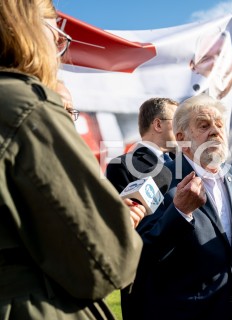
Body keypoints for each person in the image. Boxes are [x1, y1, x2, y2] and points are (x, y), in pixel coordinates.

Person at [0, 0, 143, 318]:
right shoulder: (24, 105)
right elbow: (109, 261)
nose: (60, 50)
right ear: (25, 28)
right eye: (56, 33)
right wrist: (116, 223)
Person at [128, 93, 232, 320]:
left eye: (219, 125)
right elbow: (141, 253)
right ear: (182, 139)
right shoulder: (157, 179)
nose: (215, 131)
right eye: (204, 125)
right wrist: (180, 212)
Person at [190, 30, 232, 149]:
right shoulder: (186, 109)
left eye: (221, 57)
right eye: (206, 58)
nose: (215, 65)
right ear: (194, 66)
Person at [106, 97, 178, 193]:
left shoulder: (185, 161)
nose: (183, 128)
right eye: (178, 121)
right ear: (158, 125)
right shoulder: (122, 166)